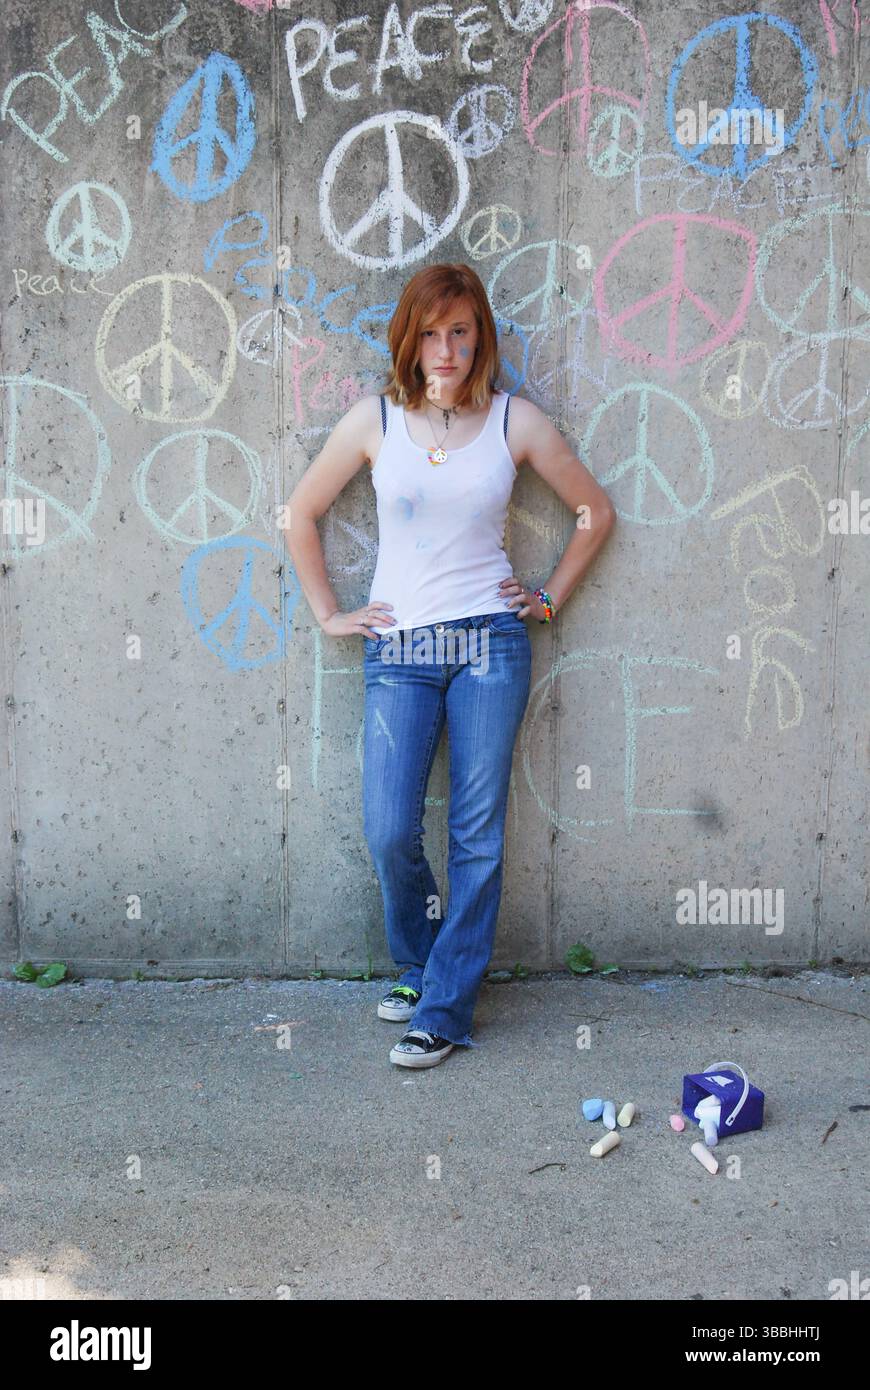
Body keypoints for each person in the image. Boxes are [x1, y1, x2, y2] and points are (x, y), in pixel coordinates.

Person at [283, 262, 616, 1068]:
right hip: (400, 649)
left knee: (476, 834)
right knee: (390, 827)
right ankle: (421, 959)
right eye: (430, 333)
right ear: (410, 337)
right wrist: (331, 612)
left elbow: (594, 512)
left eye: (460, 331)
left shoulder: (515, 423)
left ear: (480, 337)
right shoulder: (376, 421)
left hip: (488, 646)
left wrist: (545, 600)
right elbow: (300, 512)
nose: (446, 348)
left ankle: (447, 1008)